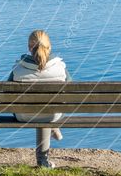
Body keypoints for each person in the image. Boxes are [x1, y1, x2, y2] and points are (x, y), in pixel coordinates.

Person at [7, 30, 72, 168]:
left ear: (29, 47)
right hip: (53, 114)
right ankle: (51, 132)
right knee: (49, 110)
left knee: (40, 109)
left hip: (23, 115)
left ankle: (42, 160)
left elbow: (8, 94)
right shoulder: (60, 67)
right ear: (50, 46)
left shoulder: (18, 68)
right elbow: (70, 92)